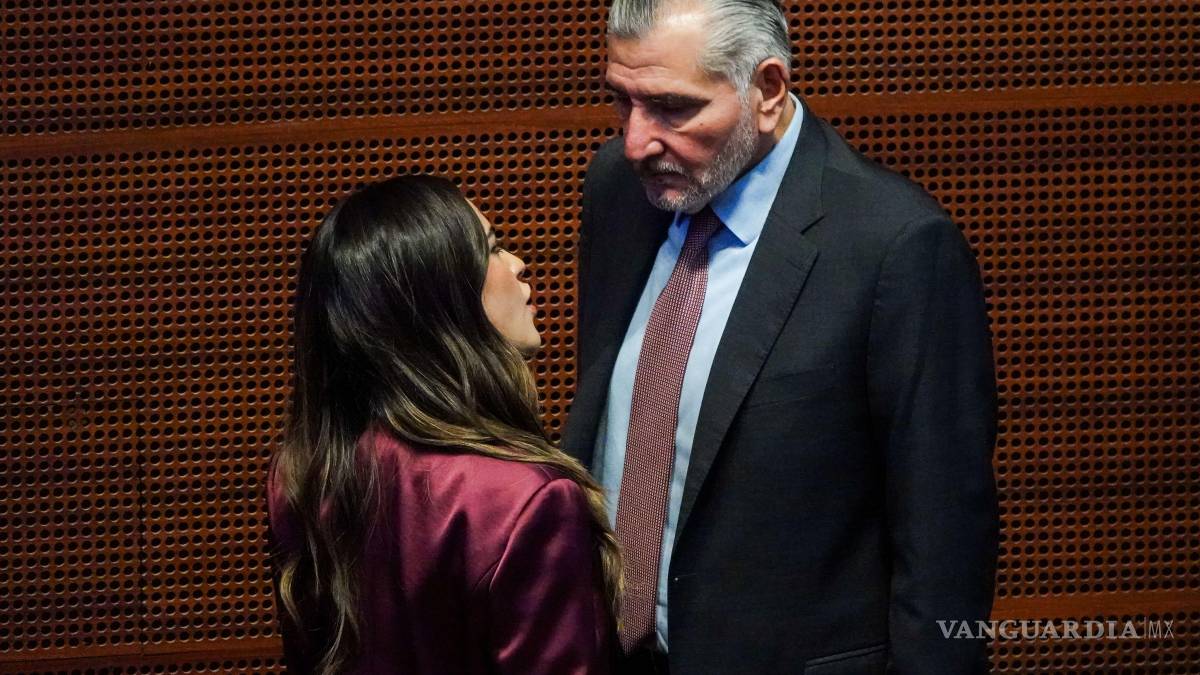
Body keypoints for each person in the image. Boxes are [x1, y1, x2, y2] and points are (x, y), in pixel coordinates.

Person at [562, 1, 999, 673]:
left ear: (767, 90)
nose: (636, 142)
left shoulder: (894, 246)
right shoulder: (619, 189)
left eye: (672, 108)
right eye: (622, 101)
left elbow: (944, 541)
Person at [267, 175, 619, 674]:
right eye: (492, 248)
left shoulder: (301, 478)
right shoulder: (528, 500)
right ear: (443, 298)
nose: (517, 265)